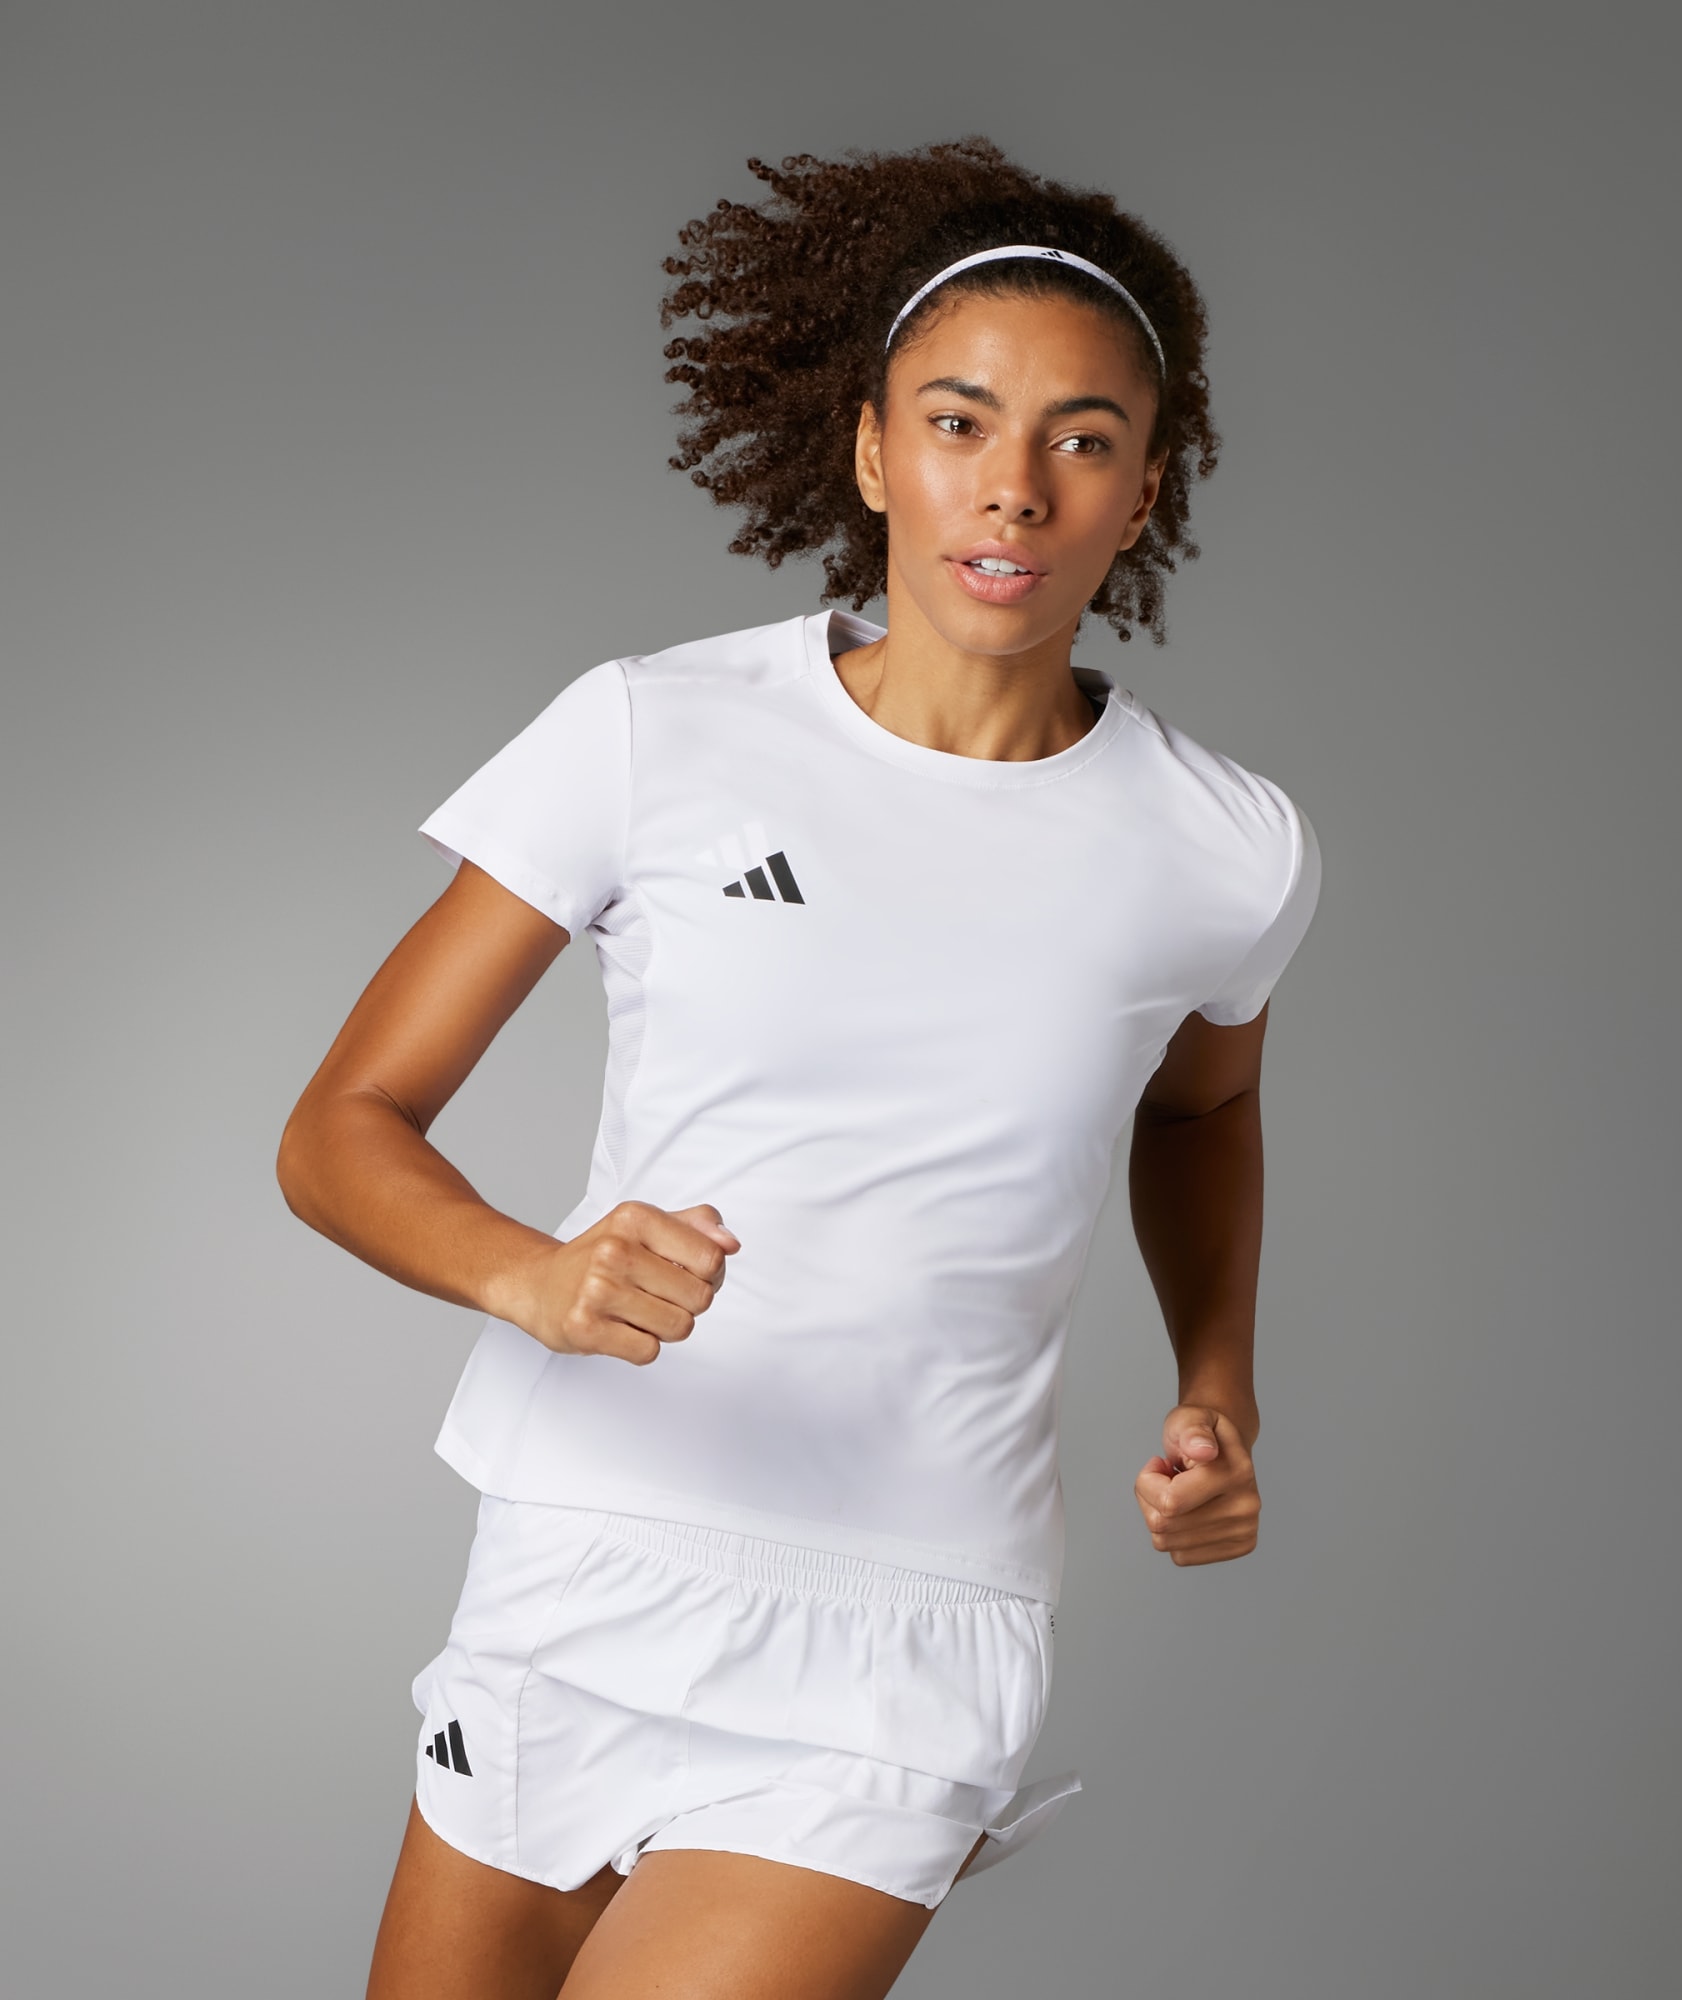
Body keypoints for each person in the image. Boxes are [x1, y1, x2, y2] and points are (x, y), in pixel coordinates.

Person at [277, 136, 1321, 2000]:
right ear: (870, 452)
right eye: (959, 422)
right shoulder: (654, 734)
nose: (1014, 487)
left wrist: (1219, 1386)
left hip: (913, 1622)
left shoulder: (1225, 845)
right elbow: (338, 1131)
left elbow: (1204, 1102)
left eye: (1082, 438)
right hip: (587, 1553)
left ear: (1147, 486)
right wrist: (534, 1276)